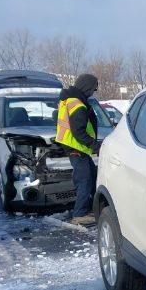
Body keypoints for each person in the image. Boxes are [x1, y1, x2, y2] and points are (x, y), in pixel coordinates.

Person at [55, 73, 99, 226]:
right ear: (87, 87)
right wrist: (94, 145)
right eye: (93, 89)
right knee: (84, 181)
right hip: (76, 147)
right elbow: (78, 132)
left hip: (76, 147)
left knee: (92, 176)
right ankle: (79, 214)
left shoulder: (69, 100)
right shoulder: (78, 104)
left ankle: (90, 208)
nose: (93, 92)